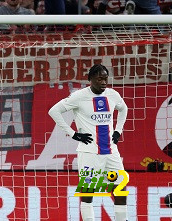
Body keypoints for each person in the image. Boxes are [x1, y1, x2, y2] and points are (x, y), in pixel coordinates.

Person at [48, 64, 128, 221]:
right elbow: (54, 111)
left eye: (105, 78)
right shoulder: (79, 96)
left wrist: (118, 130)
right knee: (87, 191)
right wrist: (73, 134)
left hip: (111, 151)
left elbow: (123, 108)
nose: (103, 82)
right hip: (89, 152)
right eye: (99, 79)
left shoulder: (112, 95)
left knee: (120, 188)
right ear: (90, 79)